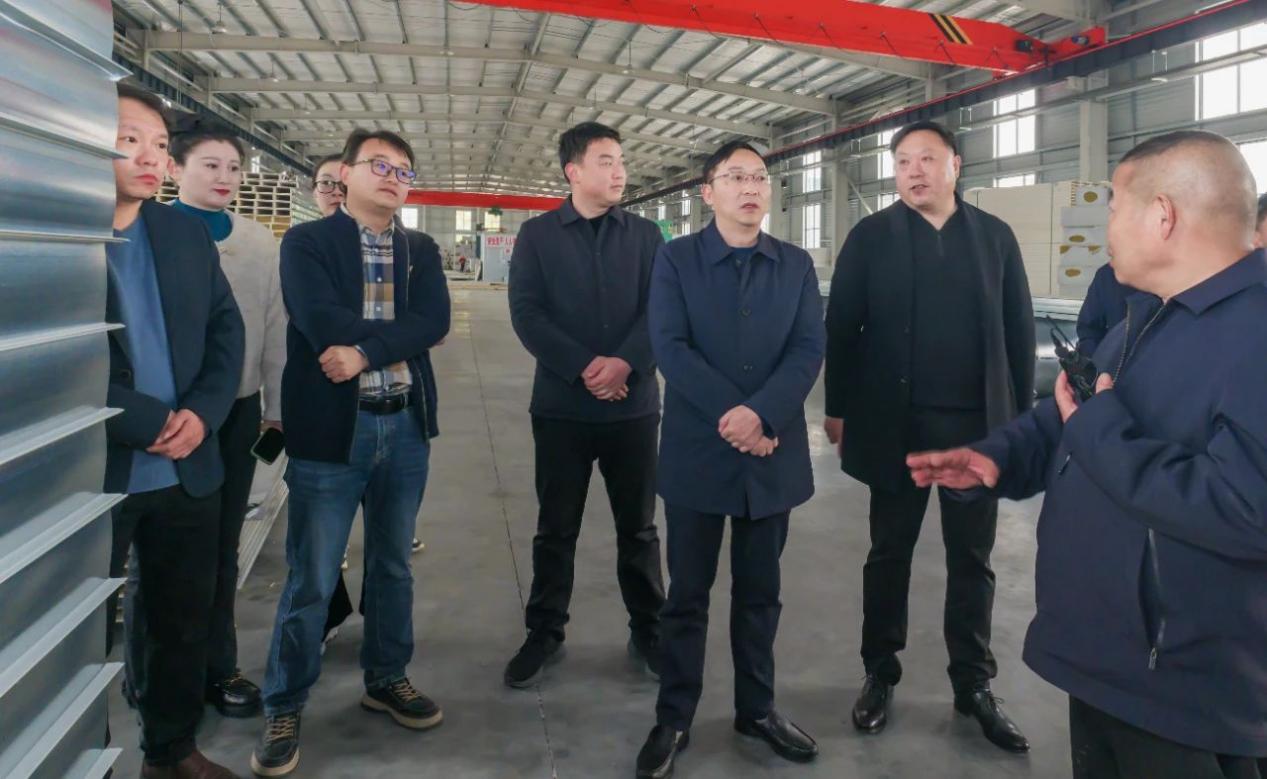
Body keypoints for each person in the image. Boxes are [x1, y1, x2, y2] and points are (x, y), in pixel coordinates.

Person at [908, 130, 1267, 779]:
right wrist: (1000, 457)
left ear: (1162, 216)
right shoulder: (1150, 314)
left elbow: (1246, 508)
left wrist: (1103, 433)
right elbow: (1073, 407)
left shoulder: (1253, 331)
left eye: (1113, 207)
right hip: (1107, 662)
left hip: (1182, 692)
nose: (1105, 229)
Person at [823, 119, 1034, 752]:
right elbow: (842, 329)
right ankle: (879, 673)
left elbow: (1019, 332)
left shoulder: (994, 238)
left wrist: (1020, 422)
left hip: (975, 432)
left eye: (927, 159)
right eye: (903, 161)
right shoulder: (871, 237)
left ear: (955, 166)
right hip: (897, 429)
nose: (914, 171)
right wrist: (837, 408)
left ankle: (974, 684)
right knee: (889, 554)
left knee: (972, 559)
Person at [251, 129, 451, 777]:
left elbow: (436, 322)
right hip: (333, 433)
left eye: (404, 170)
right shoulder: (308, 242)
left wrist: (364, 352)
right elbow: (319, 319)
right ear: (347, 173)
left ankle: (386, 677)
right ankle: (284, 702)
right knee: (311, 575)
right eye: (380, 166)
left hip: (405, 427)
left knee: (392, 566)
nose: (394, 178)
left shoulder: (421, 249)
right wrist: (398, 336)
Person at [636, 140, 825, 778]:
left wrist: (763, 415)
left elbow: (807, 349)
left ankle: (758, 710)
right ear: (707, 191)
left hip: (771, 456)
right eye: (735, 177)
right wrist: (738, 417)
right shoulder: (676, 260)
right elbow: (671, 347)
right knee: (687, 594)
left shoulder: (795, 265)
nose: (750, 187)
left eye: (760, 177)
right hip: (699, 453)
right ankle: (674, 716)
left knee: (761, 593)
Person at [106, 82, 245, 779]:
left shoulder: (181, 233)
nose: (150, 157)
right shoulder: (40, 234)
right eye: (128, 139)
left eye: (159, 144)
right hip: (93, 475)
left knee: (181, 619)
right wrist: (146, 419)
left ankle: (170, 749)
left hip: (188, 466)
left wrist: (203, 413)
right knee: (79, 635)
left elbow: (226, 329)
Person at [503, 122, 667, 689]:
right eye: (606, 161)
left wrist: (625, 364)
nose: (620, 171)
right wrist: (584, 368)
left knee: (639, 529)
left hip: (633, 409)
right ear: (573, 171)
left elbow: (661, 311)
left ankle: (650, 629)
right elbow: (527, 313)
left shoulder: (646, 236)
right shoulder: (537, 236)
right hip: (561, 410)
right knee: (556, 528)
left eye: (621, 160)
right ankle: (544, 631)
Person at [163, 119, 286, 719]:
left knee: (222, 546)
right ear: (175, 169)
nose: (225, 177)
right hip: (168, 423)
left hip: (236, 413)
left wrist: (276, 410)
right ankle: (161, 677)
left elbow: (276, 328)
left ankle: (220, 667)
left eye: (234, 168)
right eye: (210, 165)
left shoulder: (259, 242)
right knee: (163, 555)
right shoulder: (149, 233)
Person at [1076, 262, 1134, 356]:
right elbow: (1089, 330)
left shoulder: (1159, 279)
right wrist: (1096, 362)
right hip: (1116, 361)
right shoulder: (1107, 274)